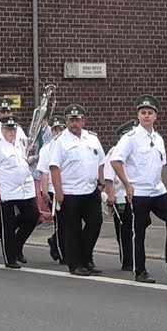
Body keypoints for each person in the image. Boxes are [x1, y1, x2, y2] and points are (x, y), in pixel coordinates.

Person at [111, 95, 167, 283]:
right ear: (138, 115)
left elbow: (160, 164)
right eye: (143, 113)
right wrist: (127, 184)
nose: (146, 116)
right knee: (138, 231)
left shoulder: (158, 138)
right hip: (138, 191)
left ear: (156, 116)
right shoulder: (130, 138)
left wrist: (161, 185)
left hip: (157, 189)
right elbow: (116, 161)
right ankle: (139, 270)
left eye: (150, 113)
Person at [48, 104, 106, 277]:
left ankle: (87, 258)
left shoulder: (92, 138)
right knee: (72, 229)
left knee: (95, 223)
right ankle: (75, 264)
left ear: (83, 121)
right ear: (66, 122)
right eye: (71, 120)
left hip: (90, 190)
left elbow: (101, 160)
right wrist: (59, 192)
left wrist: (101, 182)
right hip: (70, 192)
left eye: (78, 120)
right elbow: (54, 167)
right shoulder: (60, 142)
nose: (75, 123)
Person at [0, 114, 39, 268]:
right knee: (8, 224)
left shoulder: (19, 144)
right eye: (9, 129)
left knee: (33, 216)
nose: (12, 132)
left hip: (25, 188)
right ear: (2, 130)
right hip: (7, 189)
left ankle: (16, 245)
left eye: (14, 129)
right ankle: (10, 258)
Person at [107, 119, 138, 272]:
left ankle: (135, 258)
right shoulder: (114, 152)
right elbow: (108, 176)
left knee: (136, 228)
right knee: (124, 230)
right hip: (120, 196)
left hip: (136, 196)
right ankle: (127, 261)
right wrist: (110, 194)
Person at [36, 116, 67, 263]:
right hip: (53, 189)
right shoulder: (47, 149)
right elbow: (44, 171)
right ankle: (61, 253)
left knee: (68, 221)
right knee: (61, 221)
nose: (58, 132)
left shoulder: (68, 145)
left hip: (68, 188)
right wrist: (44, 190)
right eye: (56, 129)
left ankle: (55, 241)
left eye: (61, 128)